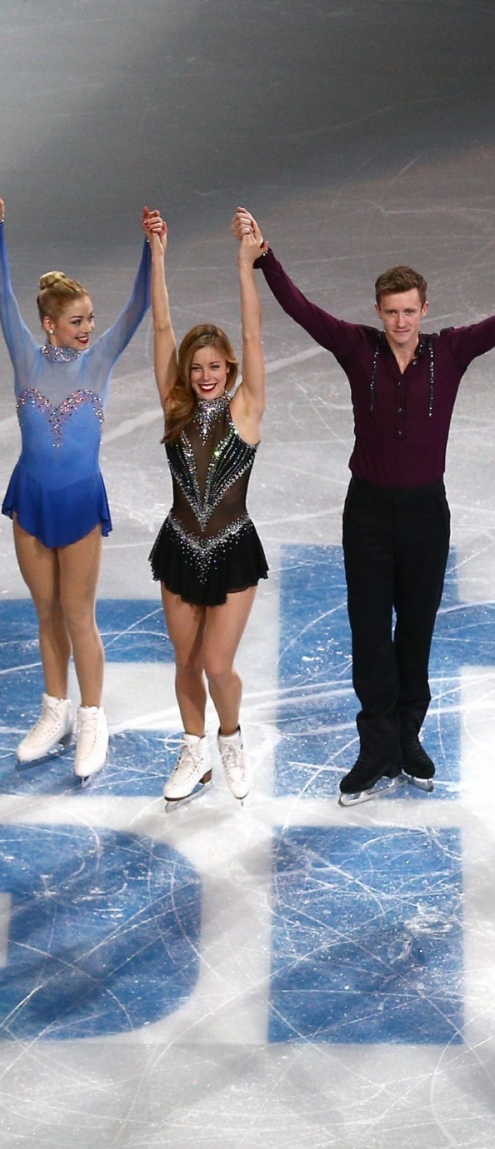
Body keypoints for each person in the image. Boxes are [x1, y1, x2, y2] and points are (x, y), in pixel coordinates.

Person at [243, 206, 495, 804]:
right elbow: (303, 312)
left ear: (424, 310)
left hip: (424, 515)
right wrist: (267, 258)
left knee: (415, 629)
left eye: (410, 310)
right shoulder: (357, 349)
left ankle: (407, 735)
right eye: (391, 311)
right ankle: (375, 744)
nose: (401, 321)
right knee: (368, 631)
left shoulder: (451, 352)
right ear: (379, 312)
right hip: (366, 515)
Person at [0, 197, 152, 780]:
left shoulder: (101, 361)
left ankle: (92, 716)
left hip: (81, 502)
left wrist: (148, 247)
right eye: (77, 321)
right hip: (32, 499)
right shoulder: (24, 358)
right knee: (45, 614)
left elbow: (137, 308)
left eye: (90, 318)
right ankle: (55, 711)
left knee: (78, 615)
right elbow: (3, 295)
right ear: (49, 324)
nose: (89, 329)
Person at [146, 208, 268, 808]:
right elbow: (163, 330)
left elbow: (251, 334)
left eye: (214, 367)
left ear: (230, 370)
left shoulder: (246, 411)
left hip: (232, 549)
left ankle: (230, 740)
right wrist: (159, 255)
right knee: (186, 660)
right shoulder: (176, 411)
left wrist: (245, 263)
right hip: (179, 546)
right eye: (196, 369)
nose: (204, 375)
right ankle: (192, 751)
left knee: (218, 663)